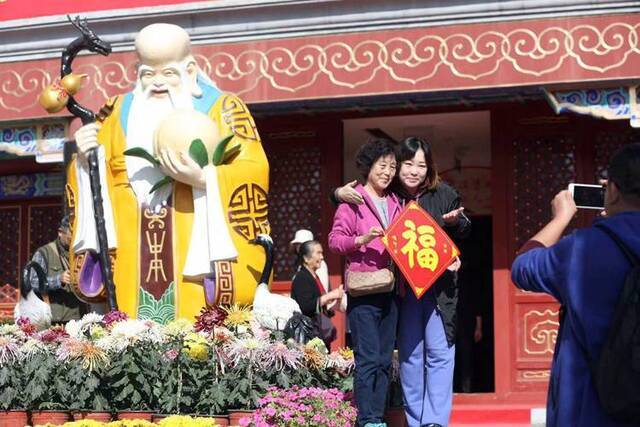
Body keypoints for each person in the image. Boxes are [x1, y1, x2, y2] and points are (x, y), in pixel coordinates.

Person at [69, 23, 270, 322]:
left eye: (169, 73)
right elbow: (97, 178)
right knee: (129, 331)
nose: (158, 82)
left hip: (193, 244)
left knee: (197, 329)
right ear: (137, 71)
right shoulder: (115, 111)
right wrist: (85, 160)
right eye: (148, 73)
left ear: (190, 70)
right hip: (130, 249)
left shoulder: (224, 107)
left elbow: (254, 168)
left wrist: (207, 180)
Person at [335, 137, 470, 427]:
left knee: (439, 353)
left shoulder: (443, 193)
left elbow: (465, 226)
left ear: (429, 168)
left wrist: (456, 224)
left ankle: (434, 421)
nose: (414, 171)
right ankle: (415, 418)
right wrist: (337, 193)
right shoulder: (391, 195)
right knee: (409, 355)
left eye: (421, 165)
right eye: (407, 164)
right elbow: (351, 203)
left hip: (439, 290)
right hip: (402, 289)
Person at [511, 143, 640, 427]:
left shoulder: (584, 247)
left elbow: (522, 267)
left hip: (590, 409)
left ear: (614, 190)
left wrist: (561, 218)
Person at [329, 138, 402, 427]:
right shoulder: (353, 200)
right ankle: (367, 418)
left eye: (392, 167)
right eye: (382, 166)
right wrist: (362, 240)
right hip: (363, 290)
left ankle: (378, 417)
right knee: (368, 358)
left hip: (391, 289)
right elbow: (335, 242)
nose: (387, 172)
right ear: (368, 167)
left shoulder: (398, 202)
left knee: (385, 359)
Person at [30, 215, 87, 324]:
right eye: (71, 235)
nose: (74, 240)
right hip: (54, 322)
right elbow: (33, 282)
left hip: (80, 319)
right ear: (60, 232)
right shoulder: (45, 253)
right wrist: (58, 280)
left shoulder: (83, 252)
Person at [290, 240, 344, 348]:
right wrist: (330, 295)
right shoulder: (302, 278)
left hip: (317, 332)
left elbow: (318, 305)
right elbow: (306, 306)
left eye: (322, 253)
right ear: (306, 258)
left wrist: (335, 302)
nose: (322, 257)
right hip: (308, 336)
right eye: (318, 253)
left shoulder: (314, 277)